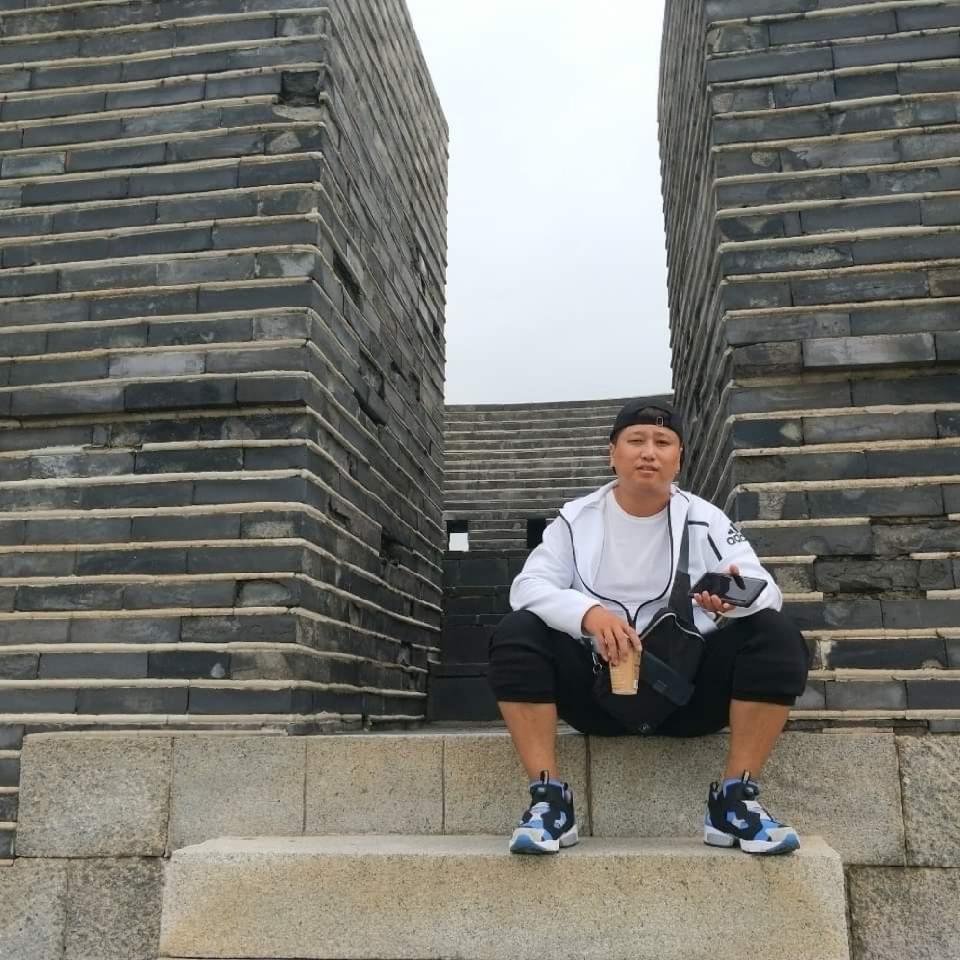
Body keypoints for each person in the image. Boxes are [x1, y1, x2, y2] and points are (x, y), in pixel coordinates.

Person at [488, 397, 810, 856]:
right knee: (517, 632)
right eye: (636, 440)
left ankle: (734, 801)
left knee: (775, 633)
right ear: (612, 453)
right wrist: (590, 615)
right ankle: (549, 802)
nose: (649, 452)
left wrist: (731, 600)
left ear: (679, 458)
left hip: (687, 695)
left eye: (663, 442)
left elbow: (764, 590)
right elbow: (528, 586)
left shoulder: (705, 518)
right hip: (597, 692)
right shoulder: (575, 519)